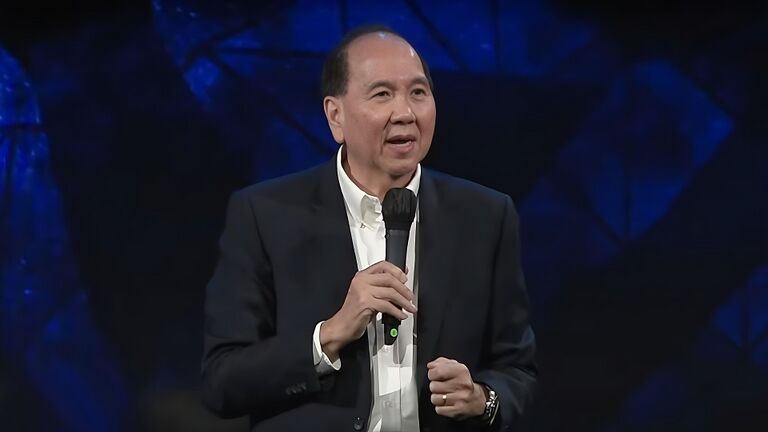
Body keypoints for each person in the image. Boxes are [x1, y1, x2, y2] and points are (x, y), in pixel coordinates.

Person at [201, 25, 537, 432]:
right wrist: (329, 336)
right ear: (335, 116)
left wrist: (483, 399)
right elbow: (222, 381)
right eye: (382, 94)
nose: (405, 113)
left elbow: (517, 369)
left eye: (418, 92)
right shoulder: (264, 215)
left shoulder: (486, 215)